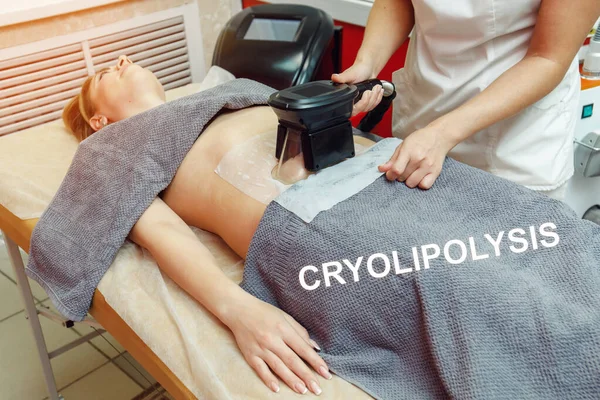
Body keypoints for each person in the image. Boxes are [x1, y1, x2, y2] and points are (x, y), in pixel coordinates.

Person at [333, 0, 600, 201]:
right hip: (422, 126)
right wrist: (366, 64)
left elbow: (548, 59)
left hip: (512, 148)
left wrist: (441, 134)